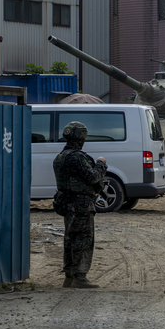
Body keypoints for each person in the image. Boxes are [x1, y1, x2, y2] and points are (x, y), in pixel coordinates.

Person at [53, 121, 108, 289]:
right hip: (81, 204)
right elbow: (92, 177)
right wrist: (101, 164)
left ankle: (69, 276)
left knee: (70, 238)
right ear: (81, 138)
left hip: (68, 204)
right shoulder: (77, 157)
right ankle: (80, 277)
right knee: (83, 238)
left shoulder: (60, 157)